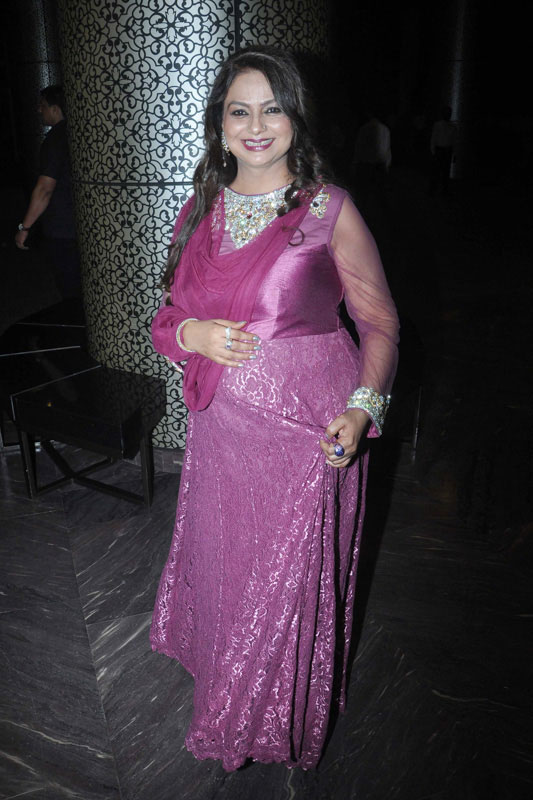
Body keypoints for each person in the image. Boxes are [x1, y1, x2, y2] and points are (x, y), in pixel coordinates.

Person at [150, 45, 399, 772]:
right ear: (220, 124)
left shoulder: (328, 208)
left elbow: (380, 322)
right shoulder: (201, 208)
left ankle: (257, 720)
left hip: (307, 435)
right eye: (240, 111)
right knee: (233, 571)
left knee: (284, 588)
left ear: (296, 118)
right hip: (221, 434)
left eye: (272, 109)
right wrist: (191, 335)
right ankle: (227, 684)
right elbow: (166, 318)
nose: (256, 126)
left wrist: (362, 411)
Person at [14, 85, 81, 298]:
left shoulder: (55, 140)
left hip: (62, 228)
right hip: (82, 225)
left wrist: (25, 227)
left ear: (55, 109)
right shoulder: (80, 134)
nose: (38, 110)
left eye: (42, 105)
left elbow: (44, 189)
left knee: (69, 285)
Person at [352, 110, 392, 212]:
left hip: (366, 164)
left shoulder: (365, 129)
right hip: (379, 164)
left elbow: (359, 147)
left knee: (364, 192)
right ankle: (384, 213)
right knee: (380, 193)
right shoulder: (385, 129)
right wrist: (387, 165)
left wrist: (356, 162)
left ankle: (362, 213)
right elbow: (387, 149)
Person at [429, 105, 457, 196]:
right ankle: (434, 189)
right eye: (446, 113)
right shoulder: (438, 125)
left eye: (449, 113)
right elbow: (433, 138)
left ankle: (444, 190)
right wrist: (433, 151)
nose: (448, 115)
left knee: (445, 172)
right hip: (440, 150)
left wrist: (454, 153)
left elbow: (454, 141)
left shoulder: (452, 126)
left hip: (447, 150)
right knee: (436, 171)